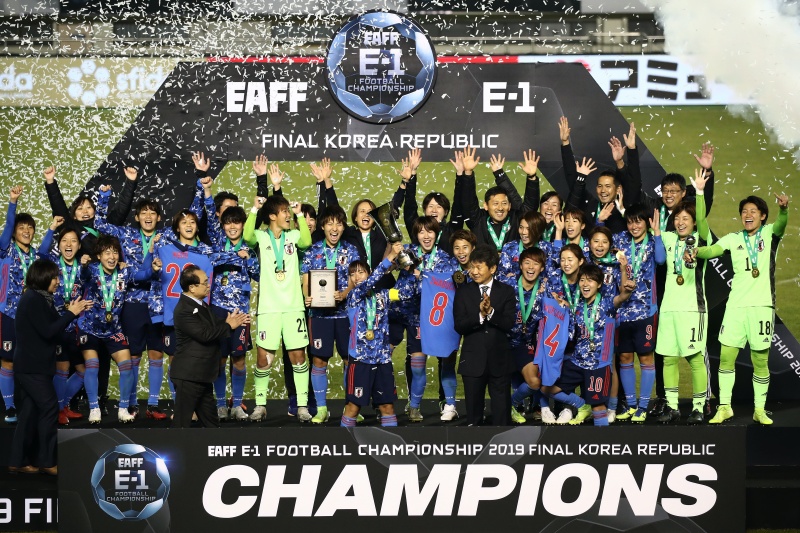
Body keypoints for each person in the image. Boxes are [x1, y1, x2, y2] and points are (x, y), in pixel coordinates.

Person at [696, 192, 789, 425]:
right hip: (736, 307)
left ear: (762, 216)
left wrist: (784, 209)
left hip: (761, 308)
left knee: (760, 360)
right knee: (726, 358)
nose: (748, 215)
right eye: (744, 211)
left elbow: (781, 224)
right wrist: (697, 252)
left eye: (753, 211)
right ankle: (725, 407)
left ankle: (759, 409)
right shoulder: (733, 239)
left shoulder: (770, 234)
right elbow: (712, 251)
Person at [9, 258, 92, 474]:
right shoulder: (33, 299)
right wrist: (71, 313)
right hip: (31, 367)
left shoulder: (42, 299)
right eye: (54, 277)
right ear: (43, 277)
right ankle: (47, 462)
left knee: (29, 413)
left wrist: (73, 315)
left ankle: (18, 461)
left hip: (36, 366)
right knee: (49, 408)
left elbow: (57, 329)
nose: (57, 281)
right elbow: (48, 331)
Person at [243, 194, 312, 422]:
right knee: (264, 359)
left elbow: (306, 242)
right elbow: (246, 236)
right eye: (284, 212)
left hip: (293, 308)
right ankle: (260, 405)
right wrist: (254, 209)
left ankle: (302, 406)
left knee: (298, 357)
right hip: (269, 309)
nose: (288, 215)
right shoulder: (261, 237)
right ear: (273, 216)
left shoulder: (293, 235)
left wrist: (300, 215)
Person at [656, 170, 713, 424]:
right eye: (677, 218)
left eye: (685, 218)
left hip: (692, 309)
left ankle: (699, 407)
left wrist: (699, 192)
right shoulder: (668, 238)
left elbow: (701, 218)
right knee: (668, 359)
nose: (680, 222)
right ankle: (672, 407)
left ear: (693, 222)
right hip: (668, 309)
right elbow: (650, 232)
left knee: (695, 359)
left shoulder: (701, 238)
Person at [342, 243, 418, 428]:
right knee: (353, 407)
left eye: (361, 272)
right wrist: (390, 256)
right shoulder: (353, 296)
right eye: (352, 274)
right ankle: (344, 443)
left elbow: (405, 294)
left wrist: (410, 271)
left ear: (368, 273)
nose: (357, 277)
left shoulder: (384, 295)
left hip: (382, 359)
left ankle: (390, 445)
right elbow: (368, 284)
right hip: (360, 360)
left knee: (387, 407)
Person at [301, 205, 360, 424]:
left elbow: (356, 279)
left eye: (339, 224)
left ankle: (351, 407)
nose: (334, 228)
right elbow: (306, 278)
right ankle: (321, 409)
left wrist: (344, 293)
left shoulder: (351, 250)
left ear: (343, 227)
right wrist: (307, 297)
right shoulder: (313, 250)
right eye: (330, 224)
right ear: (323, 226)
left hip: (345, 315)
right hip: (319, 316)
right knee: (319, 360)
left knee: (348, 360)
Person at [171, 266, 250, 428]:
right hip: (189, 377)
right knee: (181, 424)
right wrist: (228, 326)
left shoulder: (201, 305)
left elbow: (213, 324)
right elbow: (205, 334)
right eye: (205, 283)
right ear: (192, 287)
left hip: (202, 376)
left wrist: (232, 321)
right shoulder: (184, 310)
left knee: (212, 426)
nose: (209, 286)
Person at [0, 186, 49, 424]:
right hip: (8, 314)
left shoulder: (35, 256)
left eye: (30, 227)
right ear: (14, 232)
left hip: (31, 318)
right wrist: (13, 202)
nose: (26, 231)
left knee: (29, 362)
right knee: (8, 360)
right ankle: (9, 407)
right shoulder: (5, 249)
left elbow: (46, 250)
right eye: (21, 227)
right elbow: (8, 226)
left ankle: (29, 405)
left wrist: (52, 228)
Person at [453, 244, 516, 426]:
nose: (474, 272)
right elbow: (459, 326)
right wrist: (480, 315)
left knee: (502, 416)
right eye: (472, 267)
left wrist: (491, 312)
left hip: (500, 362)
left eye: (479, 267)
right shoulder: (463, 292)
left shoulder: (506, 291)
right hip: (473, 362)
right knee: (473, 416)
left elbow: (509, 324)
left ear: (493, 268)